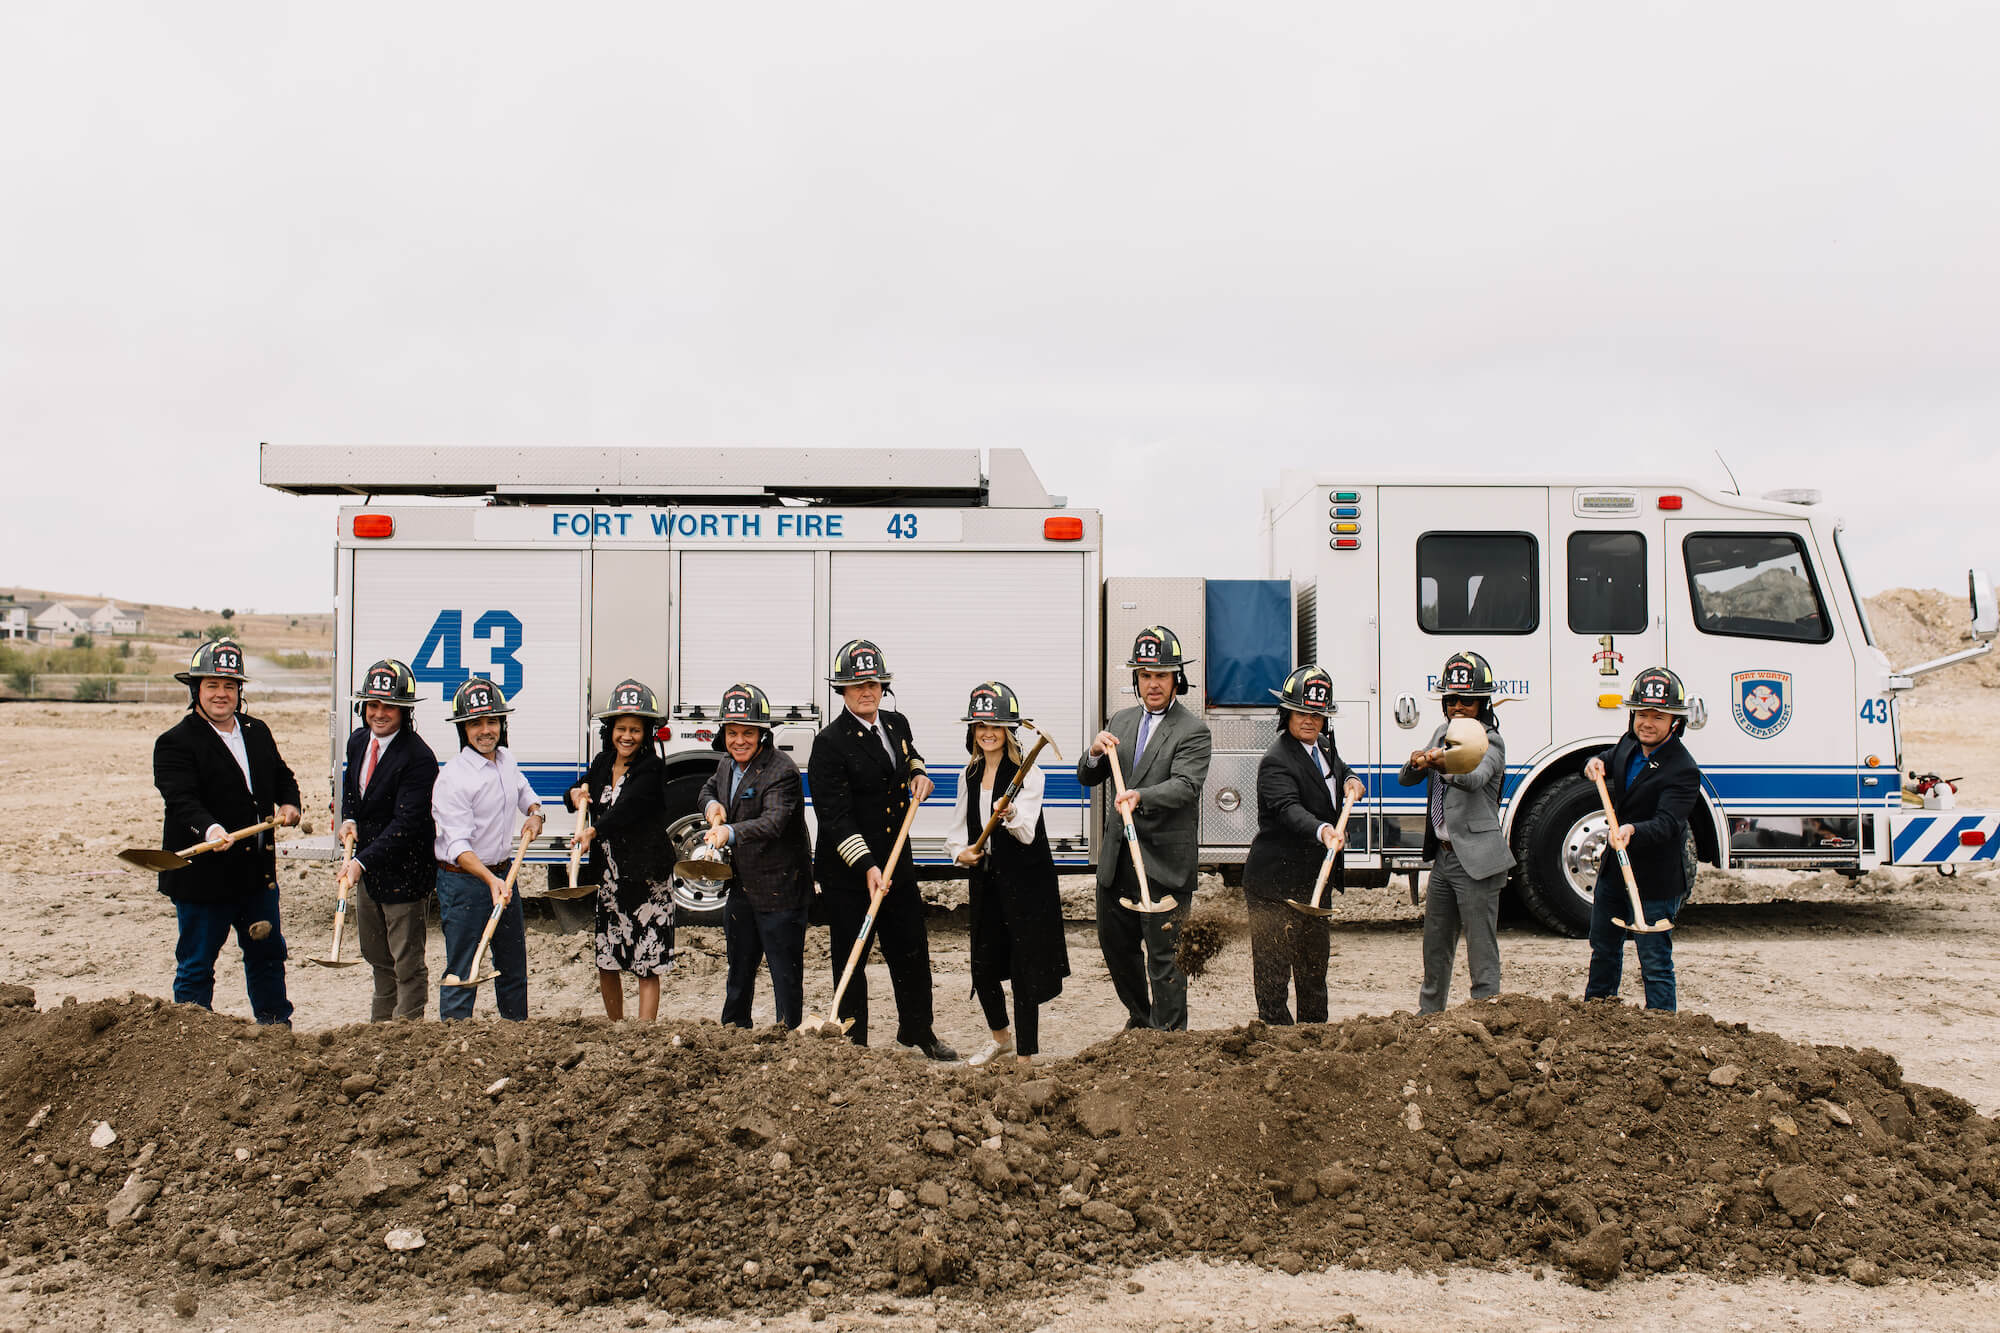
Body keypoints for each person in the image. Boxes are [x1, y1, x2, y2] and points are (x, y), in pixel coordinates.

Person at [808, 638, 957, 1060]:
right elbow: (834, 817)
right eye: (857, 685)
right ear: (842, 690)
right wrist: (868, 866)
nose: (867, 691)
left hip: (898, 862)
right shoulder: (830, 743)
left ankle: (918, 1031)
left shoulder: (896, 724)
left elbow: (911, 758)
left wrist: (920, 775)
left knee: (911, 949)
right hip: (852, 872)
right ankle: (855, 1042)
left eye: (873, 683)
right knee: (852, 958)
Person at [151, 638, 302, 1024]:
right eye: (212, 686)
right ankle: (192, 1040)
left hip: (255, 877)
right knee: (197, 964)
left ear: (239, 691)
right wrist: (210, 828)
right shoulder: (175, 743)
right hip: (203, 880)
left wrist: (289, 803)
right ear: (196, 690)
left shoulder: (257, 731)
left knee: (267, 956)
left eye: (230, 686)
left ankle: (274, 1030)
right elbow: (180, 799)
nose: (222, 694)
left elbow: (282, 776)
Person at [1079, 625, 1213, 1031]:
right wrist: (1093, 752)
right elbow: (1089, 777)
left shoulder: (1193, 730)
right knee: (1117, 949)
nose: (1153, 684)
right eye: (1145, 675)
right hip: (1118, 861)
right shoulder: (1120, 721)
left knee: (1165, 958)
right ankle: (1141, 1020)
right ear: (1136, 679)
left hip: (1162, 865)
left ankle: (1170, 1037)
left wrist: (1141, 797)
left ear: (1177, 680)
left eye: (1161, 675)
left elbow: (1186, 787)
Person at [943, 682, 1069, 1068]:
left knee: (1022, 969)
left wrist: (1010, 813)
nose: (987, 732)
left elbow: (1028, 831)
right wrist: (958, 853)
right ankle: (1001, 1039)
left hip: (1026, 883)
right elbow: (957, 828)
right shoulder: (971, 772)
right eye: (980, 725)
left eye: (995, 725)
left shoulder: (1030, 775)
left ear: (1008, 730)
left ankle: (1027, 1056)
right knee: (982, 967)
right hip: (986, 879)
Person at [1241, 666, 1366, 1025]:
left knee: (1313, 972)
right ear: (1286, 713)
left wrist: (1353, 780)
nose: (1310, 721)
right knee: (1273, 975)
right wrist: (1324, 830)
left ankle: (1315, 1044)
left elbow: (1341, 770)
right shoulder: (1276, 761)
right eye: (1302, 712)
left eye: (1317, 714)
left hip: (1314, 881)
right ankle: (1276, 1050)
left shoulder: (1324, 747)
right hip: (1273, 886)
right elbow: (1288, 810)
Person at [1582, 666, 1704, 1011]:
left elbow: (1667, 824)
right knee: (1603, 948)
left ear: (1674, 722)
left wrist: (1633, 830)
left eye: (1658, 716)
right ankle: (1597, 1016)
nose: (1647, 723)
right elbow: (1606, 761)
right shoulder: (1628, 745)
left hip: (1654, 877)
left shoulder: (1682, 768)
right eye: (1642, 714)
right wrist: (1593, 763)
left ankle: (1662, 1029)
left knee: (1654, 960)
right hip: (1614, 871)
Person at [1399, 650, 1513, 1014]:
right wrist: (1417, 760)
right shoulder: (1440, 733)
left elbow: (1474, 778)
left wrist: (1441, 763)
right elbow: (1407, 778)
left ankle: (1488, 1015)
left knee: (1481, 947)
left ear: (1482, 703)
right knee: (1435, 944)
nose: (1458, 707)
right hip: (1445, 858)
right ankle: (1428, 1016)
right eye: (1451, 700)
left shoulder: (1491, 741)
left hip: (1477, 860)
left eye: (1467, 700)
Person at [700, 682, 812, 1030]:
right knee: (739, 968)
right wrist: (712, 806)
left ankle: (788, 1034)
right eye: (732, 733)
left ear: (763, 734)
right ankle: (733, 1031)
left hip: (780, 889)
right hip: (743, 886)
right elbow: (707, 790)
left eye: (748, 732)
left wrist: (729, 832)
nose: (739, 741)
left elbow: (773, 822)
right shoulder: (725, 765)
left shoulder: (782, 771)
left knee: (784, 973)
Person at [432, 678, 544, 1021]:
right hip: (465, 883)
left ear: (501, 724)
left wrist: (536, 814)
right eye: (476, 723)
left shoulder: (506, 760)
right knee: (463, 970)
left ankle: (515, 1036)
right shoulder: (454, 779)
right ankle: (455, 1047)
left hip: (503, 874)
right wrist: (489, 880)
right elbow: (457, 846)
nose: (485, 730)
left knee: (513, 967)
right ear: (464, 728)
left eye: (492, 721)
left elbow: (524, 792)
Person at [566, 679, 676, 1021]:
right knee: (607, 958)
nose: (626, 736)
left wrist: (594, 829)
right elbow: (579, 787)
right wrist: (574, 795)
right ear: (609, 731)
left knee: (646, 959)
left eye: (635, 730)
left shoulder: (651, 768)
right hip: (610, 878)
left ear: (647, 734)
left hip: (646, 878)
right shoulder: (603, 762)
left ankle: (644, 1033)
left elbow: (627, 808)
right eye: (620, 729)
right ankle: (616, 1027)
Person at [336, 658, 438, 1021]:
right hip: (368, 871)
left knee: (406, 963)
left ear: (405, 711)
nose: (379, 714)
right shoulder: (358, 741)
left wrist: (360, 864)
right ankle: (379, 1034)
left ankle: (407, 1040)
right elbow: (352, 789)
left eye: (389, 707)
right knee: (379, 959)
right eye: (373, 705)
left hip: (405, 876)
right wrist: (349, 818)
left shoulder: (419, 758)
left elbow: (407, 824)